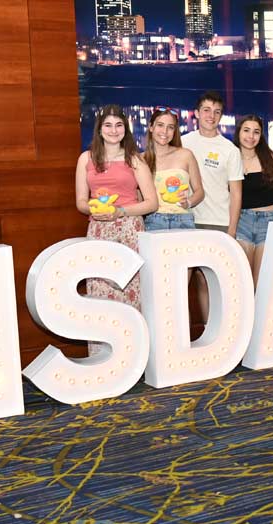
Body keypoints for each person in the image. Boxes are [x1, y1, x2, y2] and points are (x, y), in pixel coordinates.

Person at [75, 104, 157, 355]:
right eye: (108, 125)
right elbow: (80, 201)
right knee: (99, 294)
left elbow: (152, 202)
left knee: (130, 293)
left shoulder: (135, 159)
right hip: (99, 230)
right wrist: (95, 210)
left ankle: (133, 355)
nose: (113, 130)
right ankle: (103, 357)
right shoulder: (86, 158)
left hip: (130, 230)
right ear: (100, 129)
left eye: (119, 125)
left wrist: (120, 212)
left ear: (126, 129)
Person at [181, 91, 244, 323]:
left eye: (217, 111)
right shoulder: (183, 142)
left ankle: (215, 332)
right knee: (187, 282)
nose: (211, 115)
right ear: (197, 113)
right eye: (206, 110)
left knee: (213, 282)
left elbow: (236, 193)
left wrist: (232, 229)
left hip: (219, 222)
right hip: (187, 221)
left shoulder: (230, 150)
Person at [233, 114, 273, 285]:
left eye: (256, 132)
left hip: (270, 222)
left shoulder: (270, 157)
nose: (251, 136)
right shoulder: (231, 157)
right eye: (246, 130)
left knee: (262, 281)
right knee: (243, 280)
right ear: (238, 132)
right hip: (241, 221)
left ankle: (259, 313)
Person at [143, 107, 204, 230]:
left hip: (183, 219)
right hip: (153, 220)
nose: (165, 131)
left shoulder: (186, 155)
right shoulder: (140, 160)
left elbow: (200, 192)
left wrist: (188, 202)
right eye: (160, 125)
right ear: (151, 127)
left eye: (170, 127)